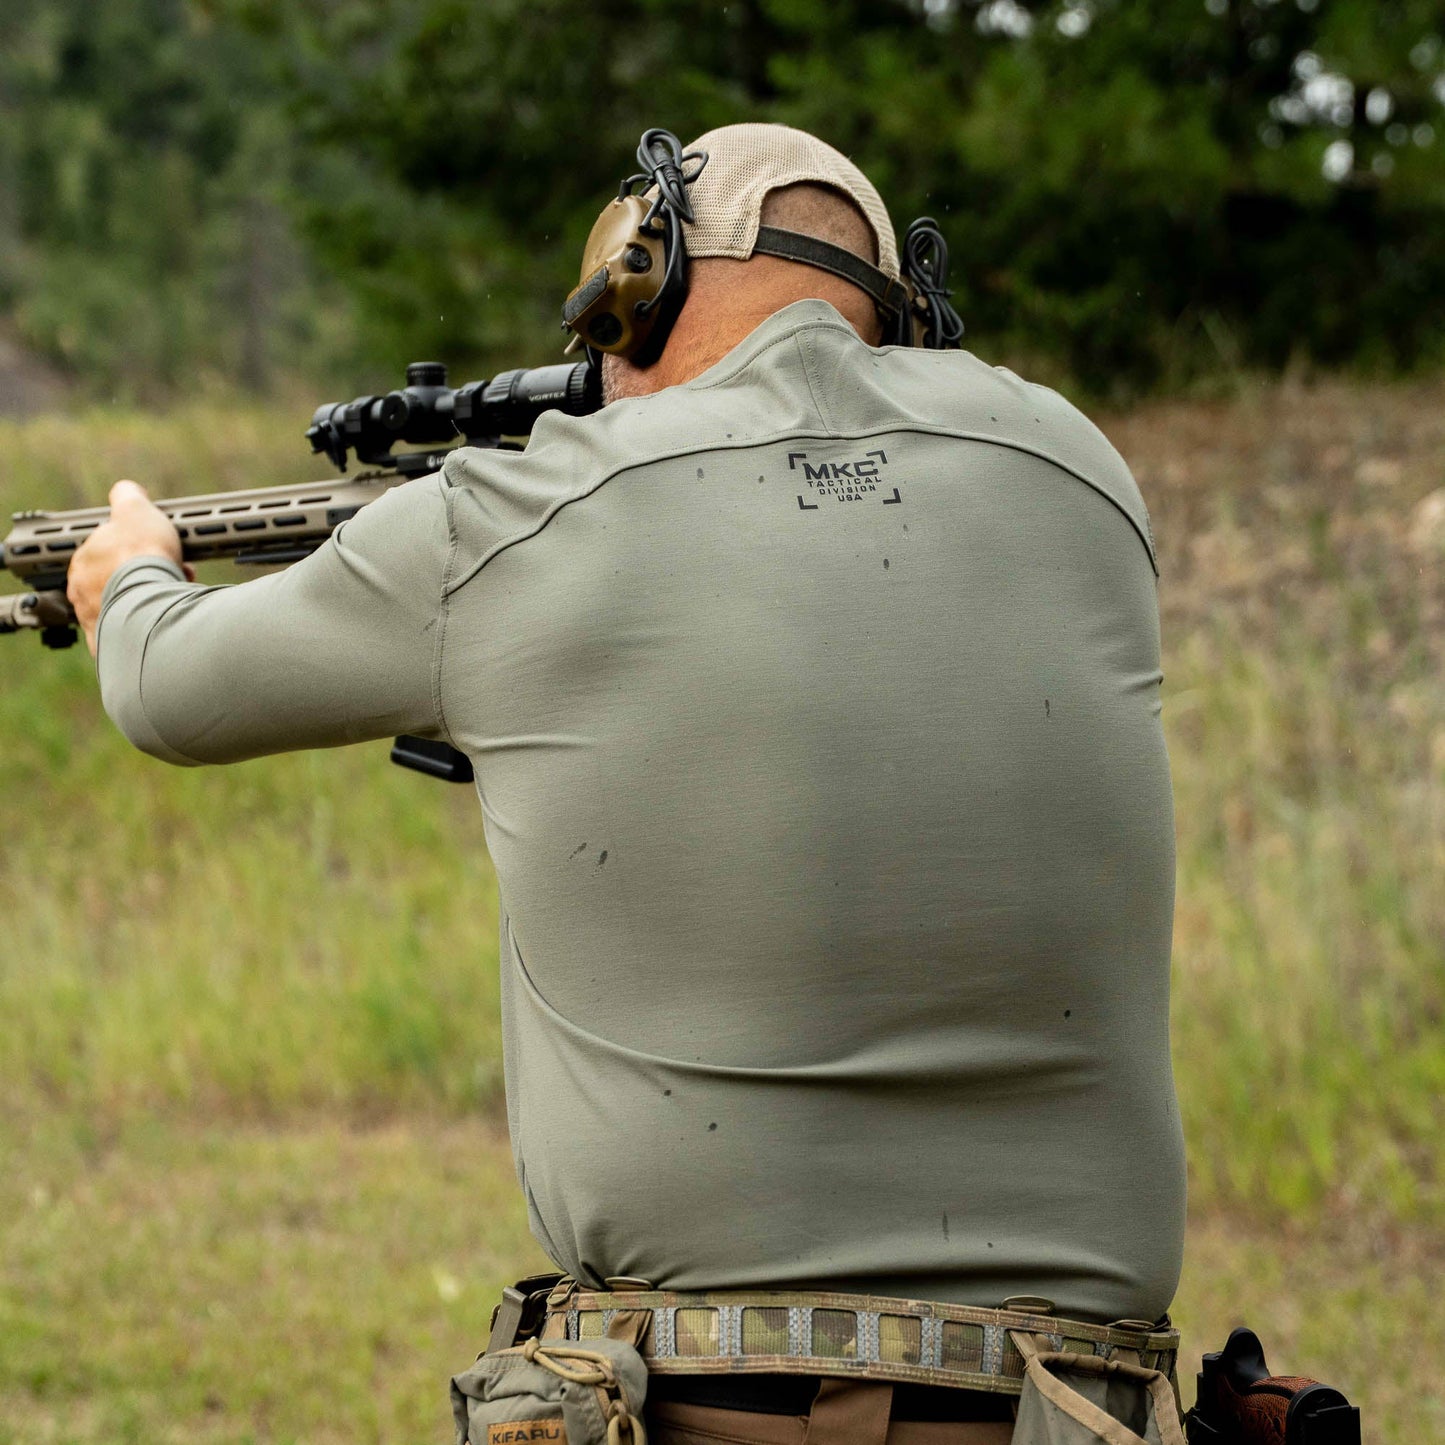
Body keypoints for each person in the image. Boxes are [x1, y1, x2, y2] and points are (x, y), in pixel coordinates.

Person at [67, 124, 1185, 1443]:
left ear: (635, 277)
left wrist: (128, 565)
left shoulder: (522, 514)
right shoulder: (1079, 476)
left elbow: (165, 684)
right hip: (1077, 1406)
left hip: (707, 1399)